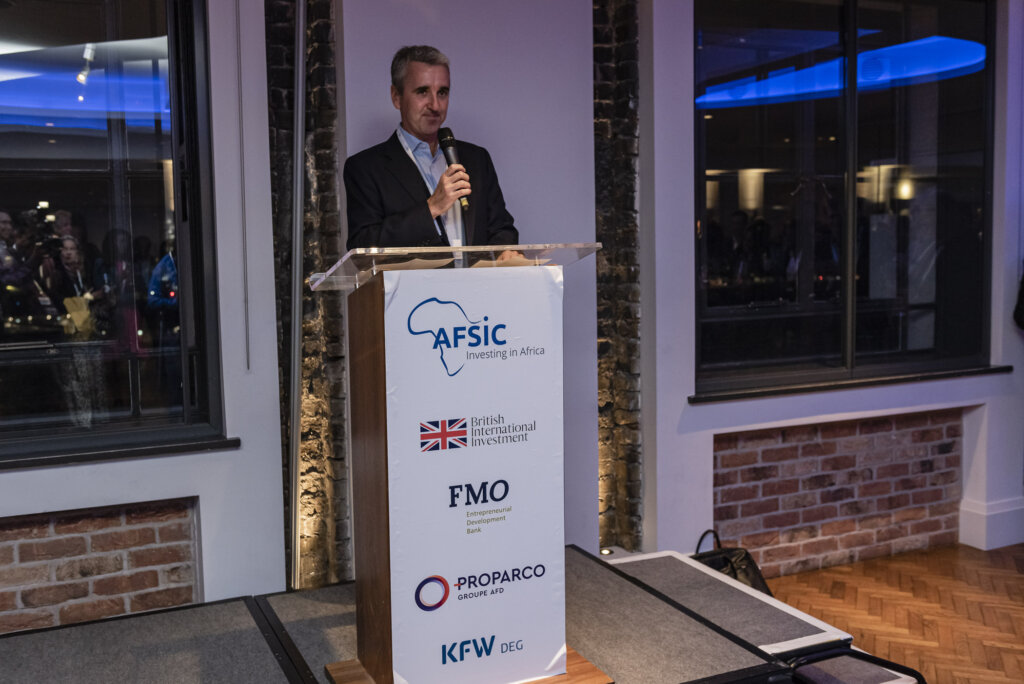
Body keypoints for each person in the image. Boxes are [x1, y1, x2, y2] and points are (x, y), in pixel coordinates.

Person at [343, 45, 518, 252]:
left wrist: (505, 253)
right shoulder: (365, 168)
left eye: (442, 92)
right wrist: (432, 207)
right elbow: (363, 246)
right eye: (422, 92)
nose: (435, 105)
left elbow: (502, 229)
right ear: (396, 96)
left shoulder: (476, 159)